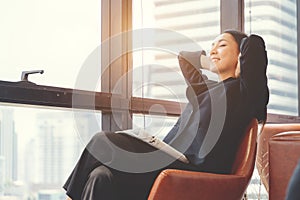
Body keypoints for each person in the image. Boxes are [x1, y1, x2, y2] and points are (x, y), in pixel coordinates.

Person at [63, 30, 269, 200]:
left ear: (242, 55)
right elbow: (185, 59)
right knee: (100, 176)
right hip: (168, 160)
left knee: (103, 141)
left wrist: (241, 61)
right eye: (212, 46)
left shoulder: (245, 92)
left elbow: (255, 44)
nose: (213, 50)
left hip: (192, 171)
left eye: (222, 45)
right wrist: (212, 60)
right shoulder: (204, 90)